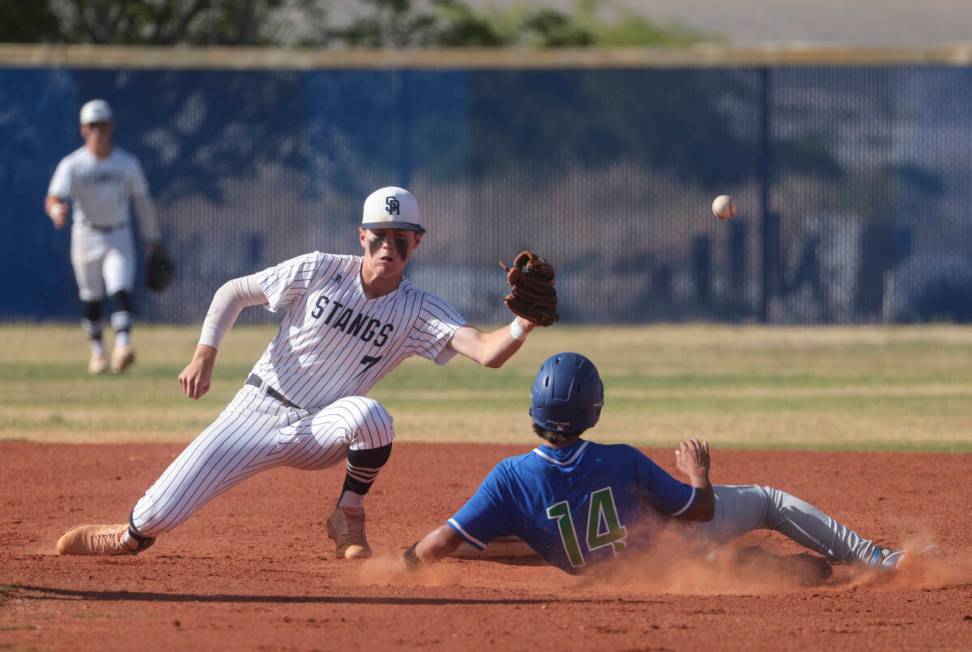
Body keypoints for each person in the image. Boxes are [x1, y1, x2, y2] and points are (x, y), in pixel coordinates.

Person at [56, 186, 545, 560]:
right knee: (156, 516)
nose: (387, 248)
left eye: (401, 239)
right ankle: (126, 536)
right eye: (378, 237)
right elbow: (234, 292)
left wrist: (522, 324)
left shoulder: (419, 310)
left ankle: (347, 515)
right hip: (256, 410)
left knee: (373, 417)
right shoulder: (320, 269)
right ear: (362, 236)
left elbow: (484, 350)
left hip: (320, 428)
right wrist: (205, 352)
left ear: (416, 243)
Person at [402, 351, 926, 575]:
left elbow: (440, 543)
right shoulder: (622, 460)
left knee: (516, 535)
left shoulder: (508, 479)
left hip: (618, 574)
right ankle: (881, 562)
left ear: (534, 410)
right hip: (672, 544)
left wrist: (404, 564)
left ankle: (743, 568)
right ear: (594, 409)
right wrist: (699, 471)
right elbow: (696, 510)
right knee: (766, 501)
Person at [45, 99, 163, 374]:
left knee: (120, 287)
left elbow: (143, 202)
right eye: (92, 125)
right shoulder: (73, 164)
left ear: (111, 127)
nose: (98, 131)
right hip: (86, 234)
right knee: (91, 297)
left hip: (117, 233)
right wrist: (56, 211)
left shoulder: (126, 164)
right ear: (83, 130)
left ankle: (123, 345)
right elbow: (54, 197)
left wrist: (152, 237)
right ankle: (98, 353)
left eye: (102, 125)